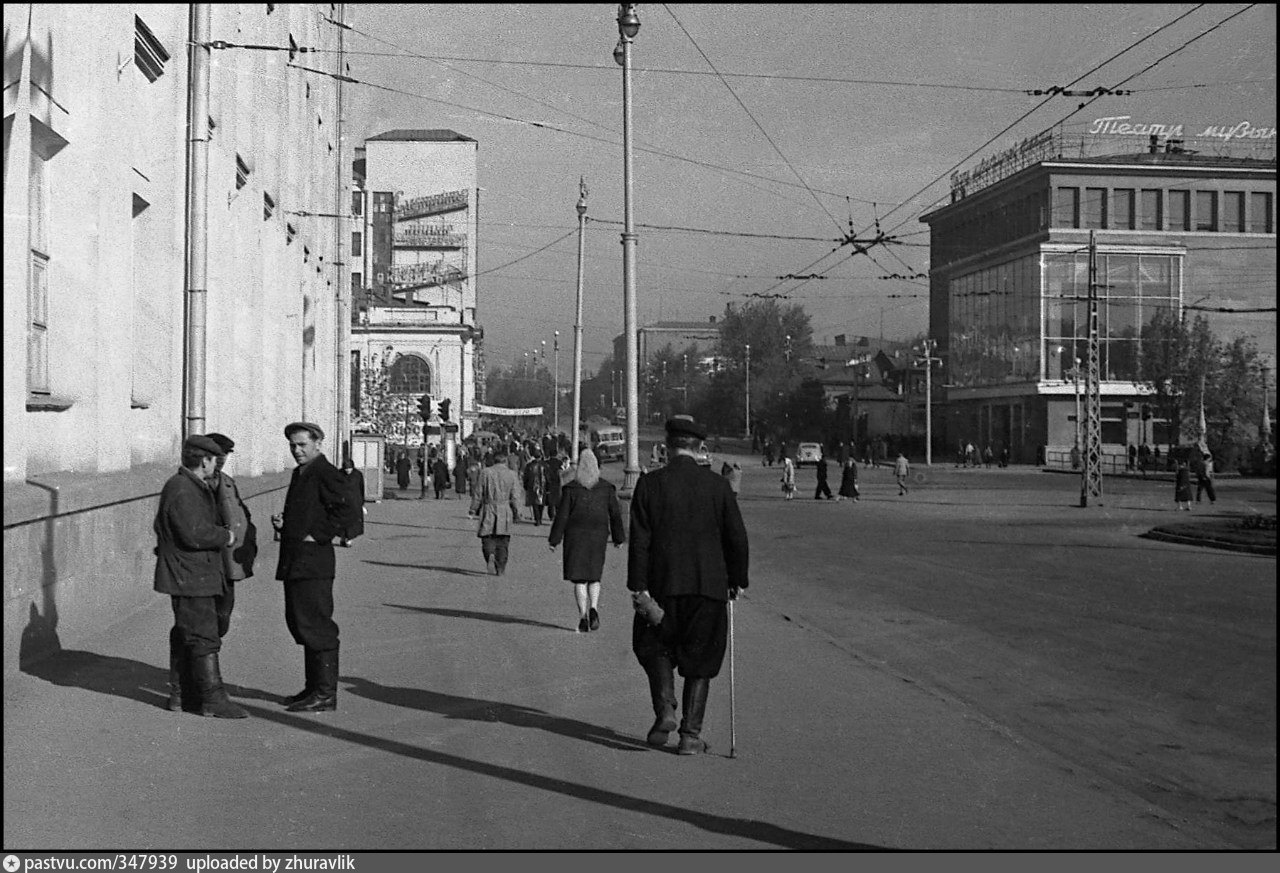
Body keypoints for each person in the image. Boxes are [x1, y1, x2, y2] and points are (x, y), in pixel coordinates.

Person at [627, 415, 749, 755]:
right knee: (702, 658)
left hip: (662, 586)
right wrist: (738, 580)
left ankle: (665, 708)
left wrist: (639, 586)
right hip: (708, 589)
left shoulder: (650, 484)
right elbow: (736, 538)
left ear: (667, 448)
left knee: (654, 647)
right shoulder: (718, 487)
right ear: (700, 449)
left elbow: (639, 541)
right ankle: (690, 736)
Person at [153, 435, 244, 718]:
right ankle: (212, 698)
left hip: (193, 572)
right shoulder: (183, 488)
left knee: (188, 633)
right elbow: (194, 533)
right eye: (213, 460)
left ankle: (183, 696)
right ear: (204, 460)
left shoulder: (188, 486)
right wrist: (225, 535)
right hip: (190, 573)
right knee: (203, 634)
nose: (215, 465)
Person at [271, 422, 357, 713]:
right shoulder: (302, 472)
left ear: (318, 443)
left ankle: (325, 693)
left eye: (302, 445)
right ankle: (313, 688)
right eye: (293, 445)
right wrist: (289, 524)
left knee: (317, 626)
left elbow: (349, 509)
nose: (296, 450)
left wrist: (318, 534)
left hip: (313, 563)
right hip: (298, 561)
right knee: (302, 623)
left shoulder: (325, 472)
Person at [548, 449, 626, 633]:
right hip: (598, 537)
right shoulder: (607, 488)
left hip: (575, 537)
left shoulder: (571, 489)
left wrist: (554, 540)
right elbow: (615, 515)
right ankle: (594, 608)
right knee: (594, 577)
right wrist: (618, 538)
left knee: (579, 580)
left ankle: (583, 616)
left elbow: (562, 516)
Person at [206, 433, 257, 637]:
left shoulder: (226, 481)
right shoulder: (196, 481)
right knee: (203, 620)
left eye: (225, 454)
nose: (222, 459)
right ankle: (200, 667)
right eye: (218, 454)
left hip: (227, 559)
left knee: (223, 614)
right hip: (207, 559)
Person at [474, 445, 523, 575]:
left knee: (487, 537)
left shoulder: (485, 472)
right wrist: (518, 512)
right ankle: (500, 566)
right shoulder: (512, 474)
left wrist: (473, 509)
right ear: (505, 461)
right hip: (505, 509)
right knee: (503, 541)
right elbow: (516, 496)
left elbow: (478, 493)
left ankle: (490, 554)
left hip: (489, 508)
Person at [337, 457, 365, 547]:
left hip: (355, 502)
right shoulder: (339, 474)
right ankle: (342, 538)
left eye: (349, 469)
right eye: (346, 469)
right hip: (342, 502)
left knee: (353, 523)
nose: (348, 471)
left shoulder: (358, 475)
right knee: (341, 522)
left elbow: (361, 488)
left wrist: (362, 502)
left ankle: (349, 539)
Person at [522, 449, 548, 526]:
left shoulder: (529, 466)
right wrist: (549, 486)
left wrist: (525, 486)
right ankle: (540, 517)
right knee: (541, 504)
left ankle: (537, 519)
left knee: (535, 504)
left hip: (532, 486)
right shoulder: (545, 465)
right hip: (543, 486)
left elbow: (525, 477)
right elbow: (548, 477)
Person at [544, 452, 564, 523]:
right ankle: (557, 514)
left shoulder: (546, 462)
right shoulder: (559, 462)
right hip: (557, 482)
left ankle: (551, 515)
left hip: (549, 482)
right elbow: (562, 471)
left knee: (550, 499)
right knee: (558, 498)